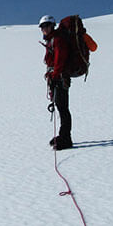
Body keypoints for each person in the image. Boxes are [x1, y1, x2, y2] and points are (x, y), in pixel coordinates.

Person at [39, 15, 73, 150]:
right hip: (56, 77)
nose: (44, 29)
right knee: (60, 107)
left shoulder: (57, 40)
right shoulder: (52, 40)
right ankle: (63, 135)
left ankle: (66, 138)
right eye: (42, 27)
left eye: (46, 26)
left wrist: (55, 75)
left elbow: (60, 60)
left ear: (52, 26)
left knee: (63, 108)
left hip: (60, 78)